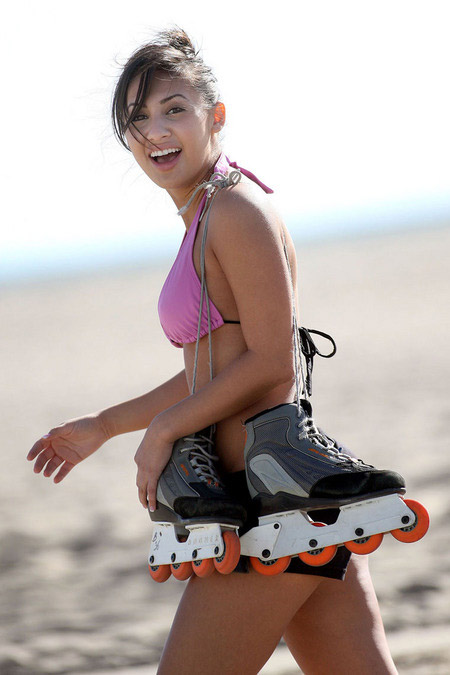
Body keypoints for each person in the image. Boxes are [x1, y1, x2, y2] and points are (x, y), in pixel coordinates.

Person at [27, 28, 399, 673]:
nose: (155, 131)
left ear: (215, 116)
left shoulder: (234, 209)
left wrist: (165, 431)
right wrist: (107, 425)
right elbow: (213, 371)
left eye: (173, 108)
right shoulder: (205, 216)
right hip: (281, 498)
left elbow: (272, 362)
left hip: (271, 504)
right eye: (137, 118)